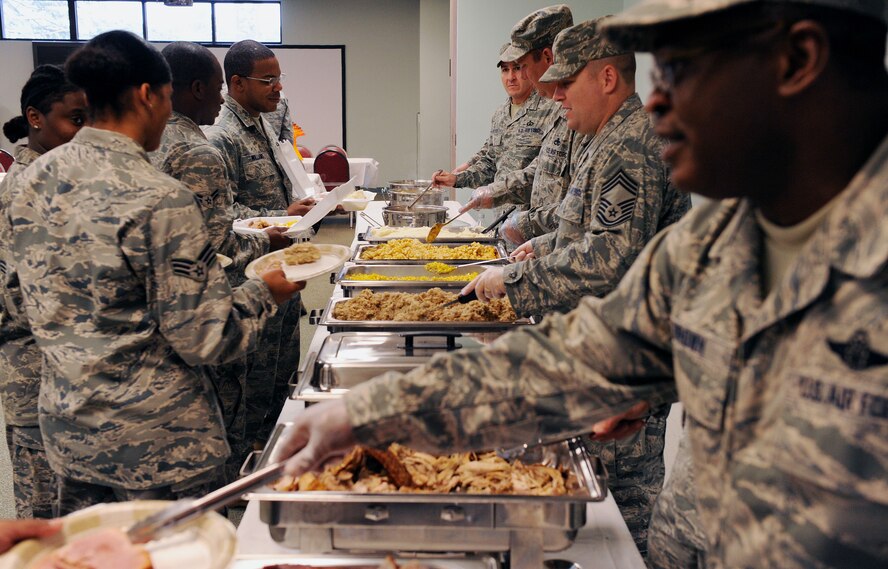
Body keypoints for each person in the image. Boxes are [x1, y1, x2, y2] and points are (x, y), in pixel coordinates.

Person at [272, 0, 888, 566]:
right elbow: (566, 362)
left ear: (797, 61)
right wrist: (365, 412)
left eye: (680, 71)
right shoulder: (713, 246)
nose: (658, 104)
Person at [6, 30, 303, 515]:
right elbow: (206, 336)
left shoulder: (30, 180)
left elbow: (12, 303)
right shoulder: (158, 197)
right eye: (167, 98)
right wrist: (263, 292)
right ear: (148, 94)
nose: (170, 112)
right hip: (158, 439)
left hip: (68, 429)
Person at [470, 19, 689, 556]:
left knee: (625, 517)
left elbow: (608, 259)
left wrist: (514, 281)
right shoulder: (605, 136)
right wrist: (539, 249)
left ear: (608, 77)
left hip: (624, 362)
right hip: (600, 350)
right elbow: (584, 228)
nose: (555, 92)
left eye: (567, 82)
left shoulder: (630, 146)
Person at [148, 41, 292, 485]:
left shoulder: (149, 144)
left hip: (167, 311)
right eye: (215, 88)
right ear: (198, 89)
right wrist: (269, 240)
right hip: (218, 297)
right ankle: (231, 493)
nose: (219, 98)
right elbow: (216, 243)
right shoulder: (199, 149)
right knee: (228, 406)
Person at [205, 39, 310, 449]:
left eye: (279, 78)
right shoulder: (223, 138)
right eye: (268, 80)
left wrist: (292, 209)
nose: (277, 88)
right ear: (236, 83)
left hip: (281, 268)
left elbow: (269, 197)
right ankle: (237, 484)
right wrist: (279, 218)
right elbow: (224, 215)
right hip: (249, 281)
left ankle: (270, 461)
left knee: (282, 380)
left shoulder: (263, 124)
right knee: (248, 394)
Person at [0, 65, 87, 519]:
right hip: (34, 378)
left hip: (64, 378)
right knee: (45, 517)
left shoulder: (56, 179)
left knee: (71, 513)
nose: (83, 131)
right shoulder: (28, 190)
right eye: (74, 119)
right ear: (35, 118)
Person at [456, 5, 583, 244]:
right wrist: (488, 190)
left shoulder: (576, 116)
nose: (516, 75)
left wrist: (525, 225)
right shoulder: (559, 110)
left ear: (548, 58)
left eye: (522, 67)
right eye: (507, 69)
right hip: (538, 245)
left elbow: (584, 212)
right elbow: (540, 170)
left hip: (550, 250)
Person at [432, 43, 560, 219]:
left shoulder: (552, 108)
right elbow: (491, 162)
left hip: (535, 218)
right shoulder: (500, 114)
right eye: (505, 70)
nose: (511, 77)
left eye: (516, 68)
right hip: (501, 216)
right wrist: (456, 180)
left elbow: (544, 170)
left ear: (527, 70)